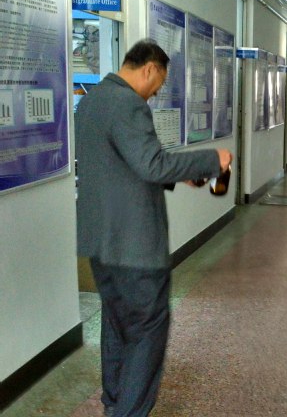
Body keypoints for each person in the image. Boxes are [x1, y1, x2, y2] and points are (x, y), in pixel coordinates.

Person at [75, 40, 232, 417]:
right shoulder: (128, 103)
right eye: (158, 84)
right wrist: (211, 160)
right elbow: (151, 165)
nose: (155, 93)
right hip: (134, 247)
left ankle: (114, 402)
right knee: (147, 333)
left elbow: (122, 166)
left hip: (101, 244)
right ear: (149, 69)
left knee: (118, 326)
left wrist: (180, 175)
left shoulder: (92, 101)